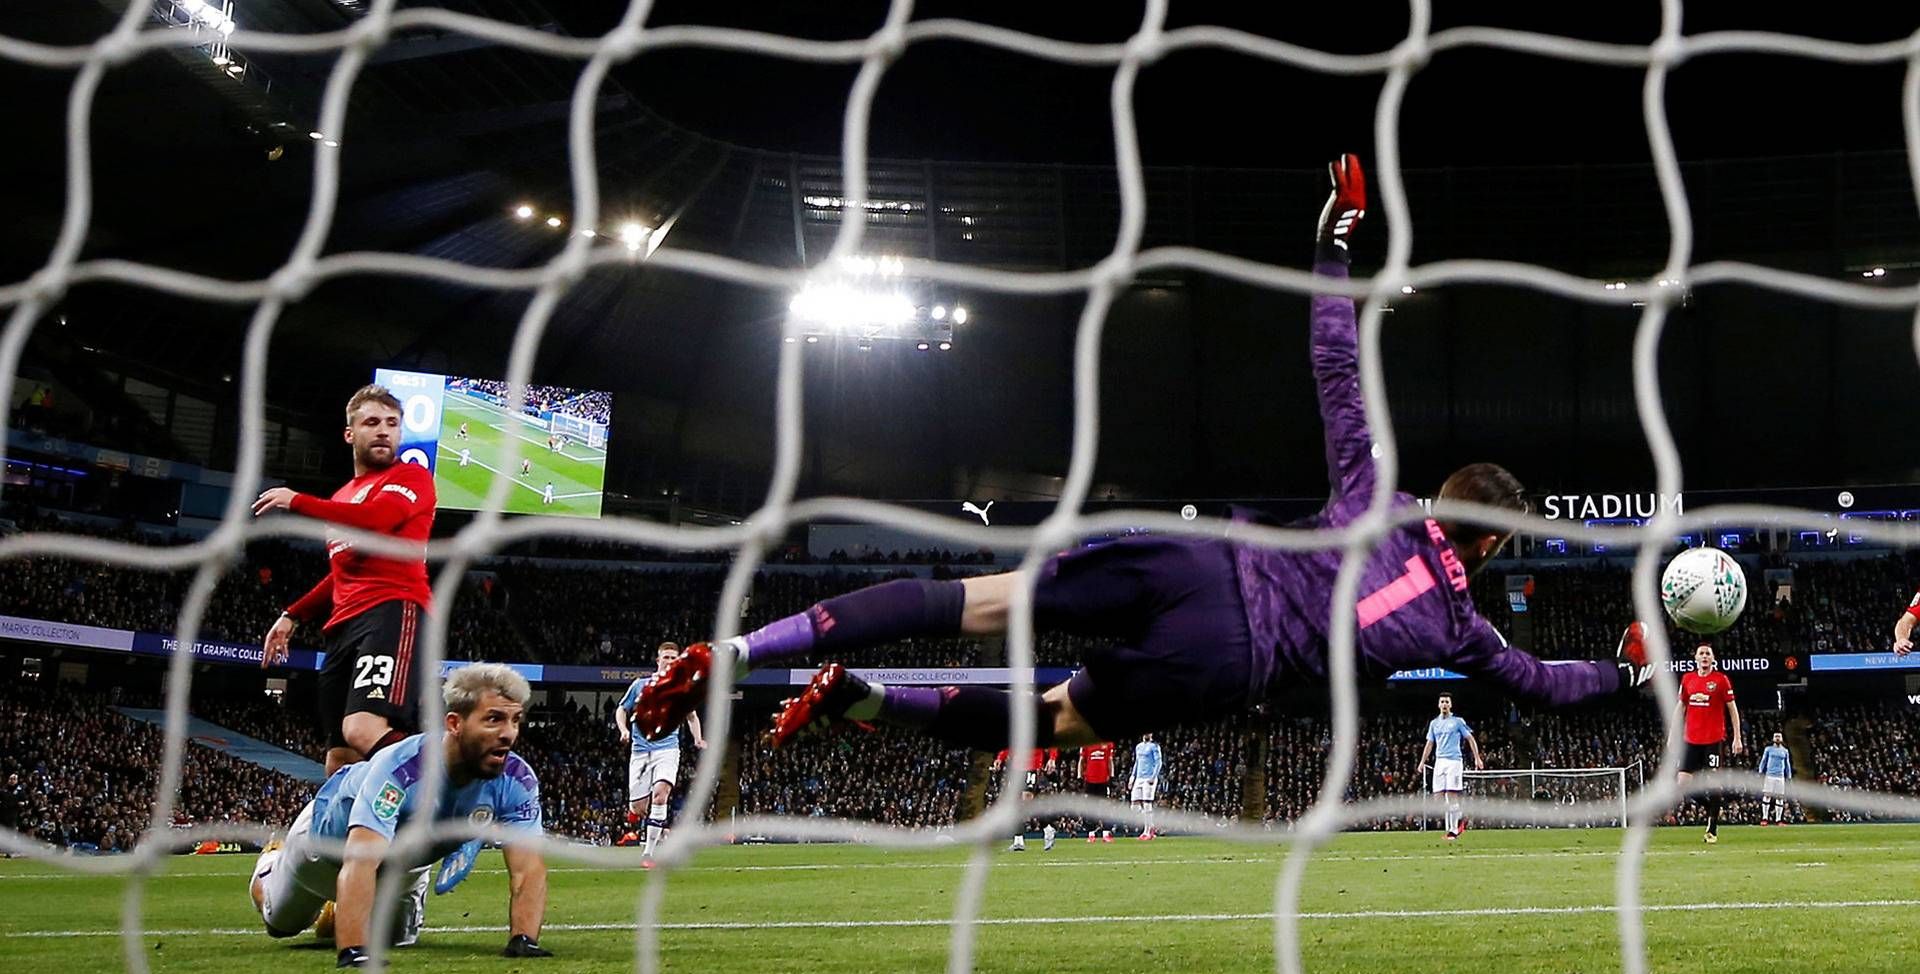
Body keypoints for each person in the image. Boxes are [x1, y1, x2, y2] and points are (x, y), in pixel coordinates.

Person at [627, 153, 1652, 755]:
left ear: (1441, 500)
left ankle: (748, 650)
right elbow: (1539, 682)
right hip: (1227, 657)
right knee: (1054, 719)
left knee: (982, 597)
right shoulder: (1466, 627)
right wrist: (1627, 679)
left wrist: (1334, 243)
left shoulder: (1378, 495)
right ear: (1490, 550)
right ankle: (864, 700)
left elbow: (1334, 362)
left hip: (1200, 560)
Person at [247, 664, 550, 966]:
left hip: (402, 861)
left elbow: (528, 868)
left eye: (515, 720)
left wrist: (523, 939)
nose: (508, 734)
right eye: (494, 719)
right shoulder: (400, 770)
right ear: (455, 723)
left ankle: (342, 910)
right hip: (328, 847)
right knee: (280, 924)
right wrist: (354, 950)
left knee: (396, 940)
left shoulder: (517, 779)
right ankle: (271, 863)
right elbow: (361, 858)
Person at [255, 384, 435, 779]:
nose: (384, 431)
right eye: (372, 422)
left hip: (391, 610)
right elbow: (340, 572)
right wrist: (291, 615)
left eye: (392, 423)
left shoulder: (412, 477)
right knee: (339, 759)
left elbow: (379, 520)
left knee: (363, 729)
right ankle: (336, 843)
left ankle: (444, 783)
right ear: (350, 434)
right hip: (341, 629)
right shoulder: (343, 496)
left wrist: (297, 500)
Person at [612, 643, 706, 862]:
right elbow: (621, 709)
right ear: (658, 660)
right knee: (639, 807)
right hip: (640, 752)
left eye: (674, 658)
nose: (670, 661)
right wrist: (624, 730)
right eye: (666, 657)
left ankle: (648, 853)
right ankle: (659, 828)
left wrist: (698, 738)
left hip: (668, 750)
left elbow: (692, 717)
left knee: (661, 794)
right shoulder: (640, 685)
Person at [1676, 643, 1743, 844]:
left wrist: (1737, 737)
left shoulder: (1721, 680)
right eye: (1701, 653)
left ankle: (1712, 828)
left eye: (1708, 654)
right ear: (1695, 658)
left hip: (1713, 740)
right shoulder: (1688, 679)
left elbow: (1732, 709)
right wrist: (1673, 734)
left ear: (1713, 659)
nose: (1704, 656)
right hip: (1691, 740)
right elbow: (1680, 707)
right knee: (1682, 785)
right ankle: (1710, 808)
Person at [1417, 693, 1483, 840]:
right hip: (1439, 761)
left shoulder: (1458, 721)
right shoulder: (1434, 723)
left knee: (1452, 795)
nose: (1445, 704)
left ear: (1450, 705)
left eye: (1447, 701)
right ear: (1438, 705)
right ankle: (1459, 817)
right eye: (1442, 701)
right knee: (1438, 797)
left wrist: (1477, 758)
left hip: (1454, 761)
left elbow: (1470, 738)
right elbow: (1429, 743)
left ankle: (1454, 830)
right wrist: (1422, 761)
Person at [1130, 733, 1162, 839]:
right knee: (1134, 805)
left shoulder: (1154, 746)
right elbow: (1137, 762)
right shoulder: (1138, 746)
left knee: (1147, 803)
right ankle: (1151, 825)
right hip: (1139, 778)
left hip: (1149, 778)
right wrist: (1132, 776)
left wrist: (1153, 776)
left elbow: (1158, 762)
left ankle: (1147, 831)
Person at [1757, 731, 1792, 826]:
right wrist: (1760, 771)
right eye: (1776, 736)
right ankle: (1764, 818)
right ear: (1773, 738)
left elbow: (1787, 764)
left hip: (1780, 776)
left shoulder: (1785, 751)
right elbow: (1763, 760)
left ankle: (1778, 820)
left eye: (1779, 737)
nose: (1777, 738)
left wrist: (1789, 776)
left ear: (1781, 739)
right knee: (1767, 796)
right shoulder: (1768, 749)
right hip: (1770, 775)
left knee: (1780, 798)